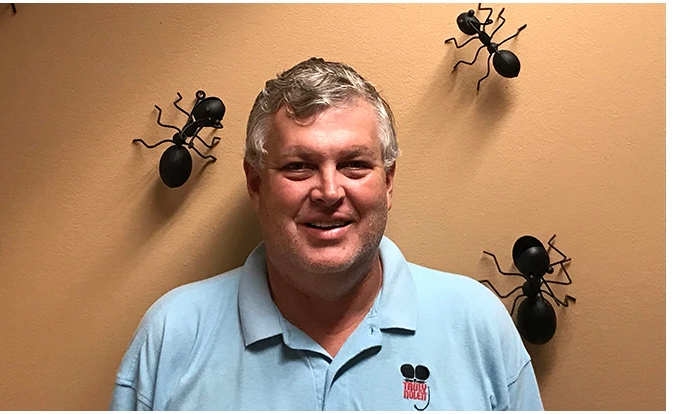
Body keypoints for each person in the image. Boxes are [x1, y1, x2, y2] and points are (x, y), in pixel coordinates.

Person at [109, 57, 544, 411]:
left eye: (354, 165)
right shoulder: (172, 336)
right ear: (256, 185)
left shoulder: (477, 326)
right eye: (298, 166)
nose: (330, 192)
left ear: (388, 182)